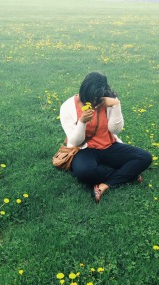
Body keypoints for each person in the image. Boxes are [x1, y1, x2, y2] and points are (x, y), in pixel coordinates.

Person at [59, 71, 152, 203]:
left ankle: (104, 185)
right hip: (85, 149)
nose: (95, 101)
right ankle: (128, 174)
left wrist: (116, 105)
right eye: (92, 97)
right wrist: (82, 122)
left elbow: (115, 129)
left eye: (98, 97)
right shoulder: (67, 107)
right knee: (85, 172)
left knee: (145, 157)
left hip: (109, 145)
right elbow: (75, 141)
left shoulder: (107, 101)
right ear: (84, 91)